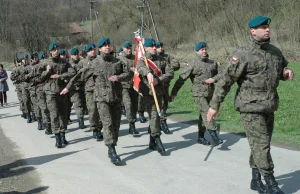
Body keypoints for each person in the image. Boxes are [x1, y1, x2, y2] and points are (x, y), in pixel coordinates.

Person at [207, 16, 293, 194]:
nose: (267, 30)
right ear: (253, 31)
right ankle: (271, 183)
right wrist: (214, 105)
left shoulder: (275, 52)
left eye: (267, 27)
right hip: (250, 107)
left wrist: (286, 73)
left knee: (261, 144)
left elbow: (280, 71)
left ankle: (255, 179)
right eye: (262, 27)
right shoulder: (242, 54)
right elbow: (225, 81)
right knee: (261, 145)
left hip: (269, 106)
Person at [61, 38, 130, 164]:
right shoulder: (94, 63)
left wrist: (118, 77)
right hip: (101, 98)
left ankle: (112, 145)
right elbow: (79, 76)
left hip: (116, 97)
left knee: (116, 125)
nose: (107, 47)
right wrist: (67, 87)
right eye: (104, 46)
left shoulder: (117, 61)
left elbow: (128, 74)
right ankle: (112, 148)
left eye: (108, 45)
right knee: (107, 123)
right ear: (100, 49)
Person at [170, 42, 223, 146]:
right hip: (198, 93)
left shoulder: (213, 63)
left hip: (210, 93)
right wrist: (174, 93)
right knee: (206, 111)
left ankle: (201, 137)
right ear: (197, 51)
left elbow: (221, 74)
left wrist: (213, 79)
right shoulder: (193, 63)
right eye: (201, 50)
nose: (204, 51)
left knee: (203, 114)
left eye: (205, 49)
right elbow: (181, 78)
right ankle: (214, 136)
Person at [40, 42, 76, 148]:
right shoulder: (45, 63)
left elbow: (72, 73)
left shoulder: (64, 62)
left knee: (63, 115)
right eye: (54, 50)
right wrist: (47, 72)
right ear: (50, 51)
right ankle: (57, 138)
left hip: (62, 92)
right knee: (54, 115)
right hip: (51, 93)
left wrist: (60, 76)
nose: (56, 51)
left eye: (57, 49)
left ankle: (63, 135)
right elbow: (39, 78)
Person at [136, 38, 168, 154]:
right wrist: (148, 72)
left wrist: (158, 80)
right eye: (151, 46)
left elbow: (169, 73)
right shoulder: (142, 61)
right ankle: (158, 140)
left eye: (155, 46)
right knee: (154, 115)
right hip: (148, 94)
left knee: (156, 118)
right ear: (146, 48)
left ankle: (151, 142)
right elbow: (140, 68)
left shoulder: (162, 60)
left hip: (160, 92)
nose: (154, 48)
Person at [118, 41, 139, 136]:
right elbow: (117, 73)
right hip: (124, 86)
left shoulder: (135, 58)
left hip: (134, 86)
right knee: (128, 104)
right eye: (127, 48)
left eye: (130, 48)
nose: (129, 50)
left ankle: (132, 123)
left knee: (135, 106)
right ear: (123, 48)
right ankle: (132, 125)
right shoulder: (119, 59)